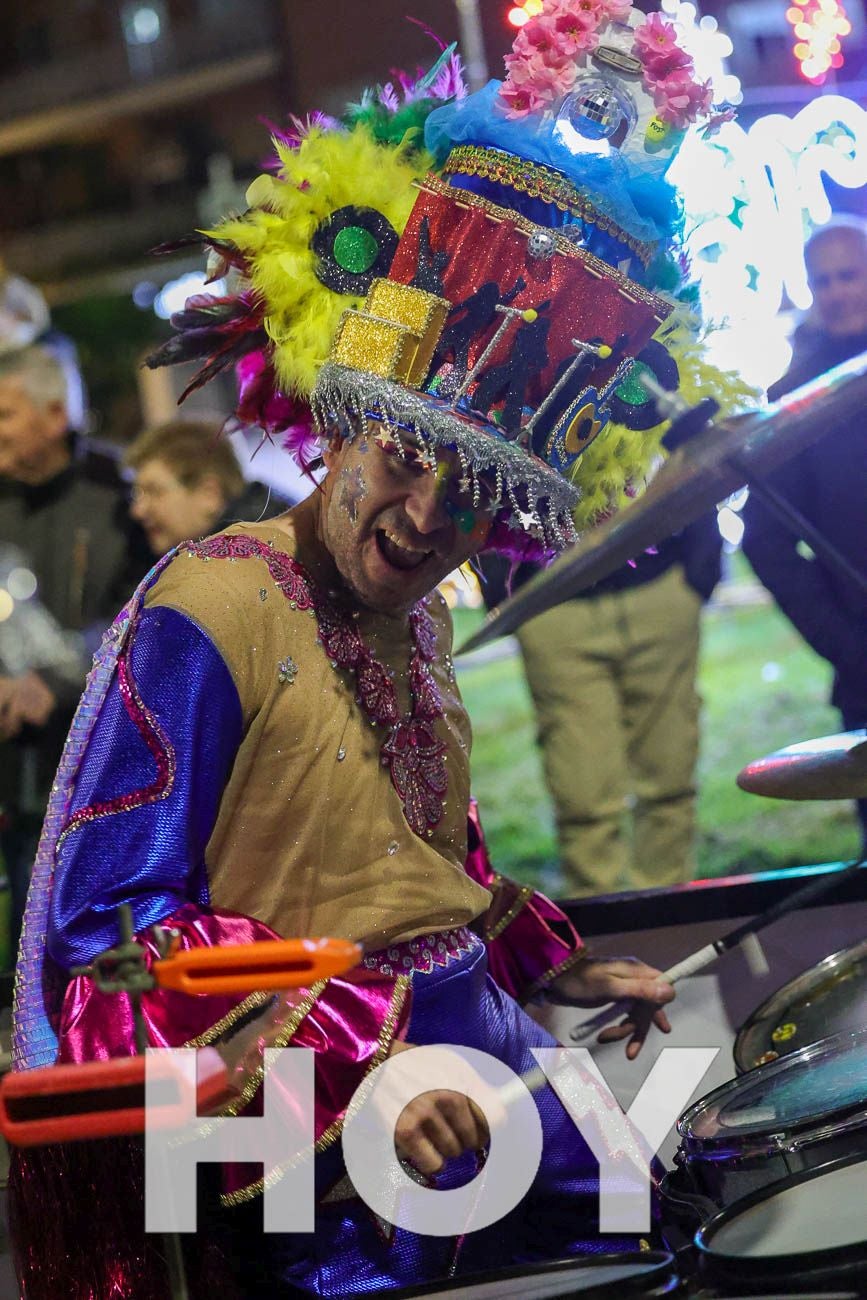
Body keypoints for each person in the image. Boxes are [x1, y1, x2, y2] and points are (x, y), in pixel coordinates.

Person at [11, 10, 732, 1295]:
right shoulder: (210, 607)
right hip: (329, 1152)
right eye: (403, 458)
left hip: (481, 1073)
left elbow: (408, 869)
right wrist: (358, 1078)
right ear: (340, 425)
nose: (423, 521)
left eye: (470, 496)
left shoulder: (422, 614)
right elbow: (110, 948)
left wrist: (549, 963)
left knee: (703, 1206)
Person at [482, 514, 723, 897]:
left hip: (659, 589)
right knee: (584, 799)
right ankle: (603, 930)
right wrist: (503, 592)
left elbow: (687, 456)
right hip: (553, 605)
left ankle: (672, 923)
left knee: (670, 782)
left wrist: (700, 566)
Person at [0, 344, 146, 963]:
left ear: (55, 414)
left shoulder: (122, 493)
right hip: (14, 758)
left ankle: (135, 1054)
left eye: (5, 414)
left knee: (112, 941)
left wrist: (55, 683)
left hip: (106, 759)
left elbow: (145, 609)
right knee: (28, 935)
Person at [742, 218, 867, 848]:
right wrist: (843, 642)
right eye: (825, 280)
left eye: (851, 274)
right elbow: (765, 539)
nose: (840, 291)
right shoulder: (793, 394)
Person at [125, 418, 290, 557]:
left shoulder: (251, 565)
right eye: (138, 494)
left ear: (209, 494)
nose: (137, 511)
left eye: (155, 491)